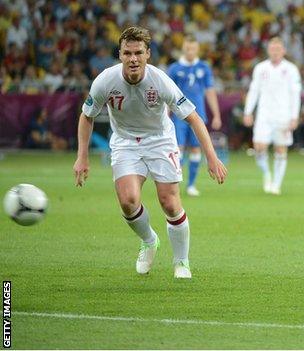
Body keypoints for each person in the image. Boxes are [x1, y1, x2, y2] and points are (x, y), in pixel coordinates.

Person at [73, 27, 227, 279]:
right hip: (125, 142)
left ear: (148, 54)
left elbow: (194, 118)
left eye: (138, 53)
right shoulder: (105, 80)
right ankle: (148, 240)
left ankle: (181, 262)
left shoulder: (161, 81)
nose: (133, 58)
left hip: (160, 141)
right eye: (127, 53)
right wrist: (82, 156)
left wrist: (211, 156)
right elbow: (86, 116)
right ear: (120, 54)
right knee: (128, 201)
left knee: (169, 202)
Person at [243, 37, 302, 195]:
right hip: (264, 114)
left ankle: (276, 184)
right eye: (272, 49)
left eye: (278, 49)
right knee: (259, 147)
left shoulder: (291, 69)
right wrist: (248, 111)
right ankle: (267, 174)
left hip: (283, 115)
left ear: (283, 51)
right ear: (268, 50)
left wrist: (294, 116)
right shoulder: (260, 68)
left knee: (280, 149)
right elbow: (254, 90)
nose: (275, 52)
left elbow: (295, 94)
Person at [167, 35, 222, 197]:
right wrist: (166, 114)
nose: (190, 51)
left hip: (199, 114)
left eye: (193, 48)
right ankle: (175, 183)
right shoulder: (174, 68)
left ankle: (191, 184)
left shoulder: (204, 68)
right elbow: (167, 94)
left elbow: (210, 91)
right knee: (178, 149)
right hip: (179, 115)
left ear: (197, 49)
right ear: (183, 48)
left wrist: (216, 115)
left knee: (196, 149)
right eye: (187, 48)